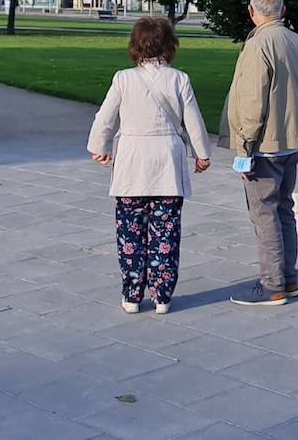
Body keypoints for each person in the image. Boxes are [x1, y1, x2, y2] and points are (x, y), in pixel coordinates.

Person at [87, 18, 212, 315]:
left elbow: (105, 117)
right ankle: (162, 295)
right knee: (165, 232)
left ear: (135, 46)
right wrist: (201, 153)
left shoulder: (123, 79)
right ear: (170, 46)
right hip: (167, 160)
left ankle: (131, 295)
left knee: (130, 233)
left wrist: (98, 147)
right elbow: (193, 119)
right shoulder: (179, 79)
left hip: (132, 162)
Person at [219, 0, 298, 307]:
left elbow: (251, 101)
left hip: (265, 144)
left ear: (251, 11)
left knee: (264, 213)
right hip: (291, 140)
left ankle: (272, 283)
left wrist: (244, 147)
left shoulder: (259, 45)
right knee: (284, 208)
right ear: (283, 11)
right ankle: (288, 279)